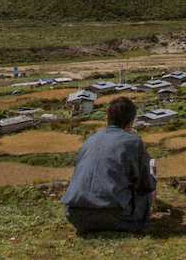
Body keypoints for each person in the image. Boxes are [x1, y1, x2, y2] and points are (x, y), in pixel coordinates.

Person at [62, 96, 157, 234]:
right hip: (114, 215)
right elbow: (145, 185)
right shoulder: (134, 142)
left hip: (76, 216)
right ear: (131, 121)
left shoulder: (91, 139)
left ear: (108, 118)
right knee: (148, 191)